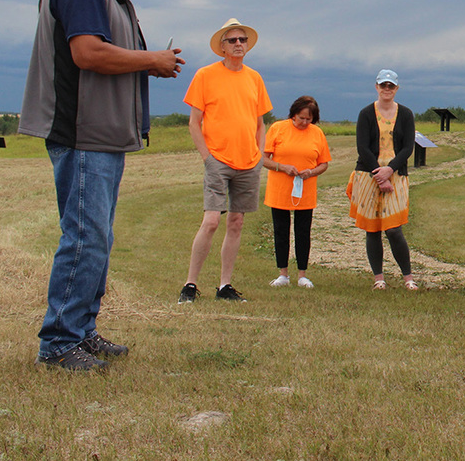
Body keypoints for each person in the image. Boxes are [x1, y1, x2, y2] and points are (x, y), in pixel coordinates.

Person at [21, 0, 184, 370]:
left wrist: (146, 64)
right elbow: (88, 53)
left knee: (97, 237)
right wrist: (151, 59)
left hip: (103, 134)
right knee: (84, 236)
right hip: (82, 132)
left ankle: (82, 330)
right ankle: (59, 343)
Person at [178, 19, 272, 304]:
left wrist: (259, 155)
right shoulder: (206, 75)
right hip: (217, 160)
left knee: (236, 222)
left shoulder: (254, 78)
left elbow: (260, 123)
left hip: (248, 162)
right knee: (210, 222)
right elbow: (194, 122)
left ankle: (225, 286)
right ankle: (190, 285)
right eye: (232, 40)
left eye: (242, 40)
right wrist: (207, 157)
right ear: (222, 47)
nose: (239, 44)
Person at [348, 70, 417, 290]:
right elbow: (362, 147)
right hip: (369, 174)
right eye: (383, 85)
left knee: (394, 228)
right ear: (376, 87)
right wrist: (379, 173)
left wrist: (390, 170)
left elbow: (408, 147)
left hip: (396, 174)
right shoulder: (366, 113)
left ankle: (408, 278)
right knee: (373, 229)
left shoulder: (405, 114)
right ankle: (379, 278)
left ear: (396, 89)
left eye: (391, 86)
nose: (387, 89)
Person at [261, 96, 331, 289]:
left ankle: (302, 274)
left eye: (309, 119)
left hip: (305, 192)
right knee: (281, 230)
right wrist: (281, 167)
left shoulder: (317, 133)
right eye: (301, 118)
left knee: (303, 232)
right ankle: (283, 274)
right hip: (280, 189)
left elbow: (324, 163)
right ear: (293, 114)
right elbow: (263, 158)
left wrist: (311, 172)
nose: (305, 123)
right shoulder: (277, 128)